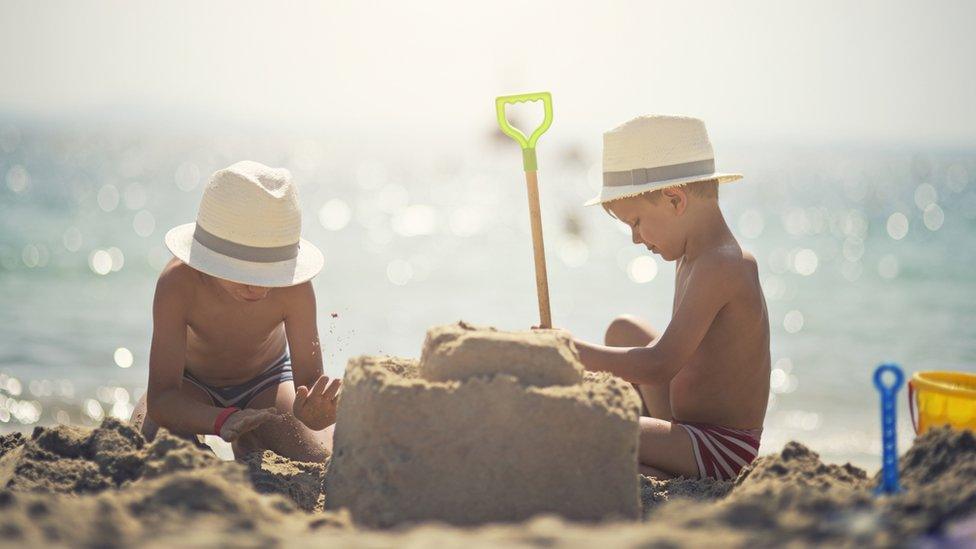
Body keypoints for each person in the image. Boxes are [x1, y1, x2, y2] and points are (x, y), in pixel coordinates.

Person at [569, 116, 770, 480]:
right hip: (684, 423)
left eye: (635, 222)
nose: (635, 238)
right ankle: (648, 454)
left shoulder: (724, 264)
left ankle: (652, 465)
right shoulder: (691, 255)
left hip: (718, 448)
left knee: (593, 429)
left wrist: (568, 350)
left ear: (675, 199)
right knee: (624, 330)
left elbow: (659, 365)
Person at [130, 160, 339, 461]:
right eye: (247, 274)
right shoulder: (178, 284)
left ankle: (252, 441)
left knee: (316, 455)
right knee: (146, 442)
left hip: (267, 383)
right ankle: (241, 436)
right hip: (190, 386)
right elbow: (162, 398)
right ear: (208, 259)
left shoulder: (296, 289)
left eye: (272, 275)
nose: (261, 289)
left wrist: (318, 415)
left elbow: (308, 391)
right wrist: (222, 419)